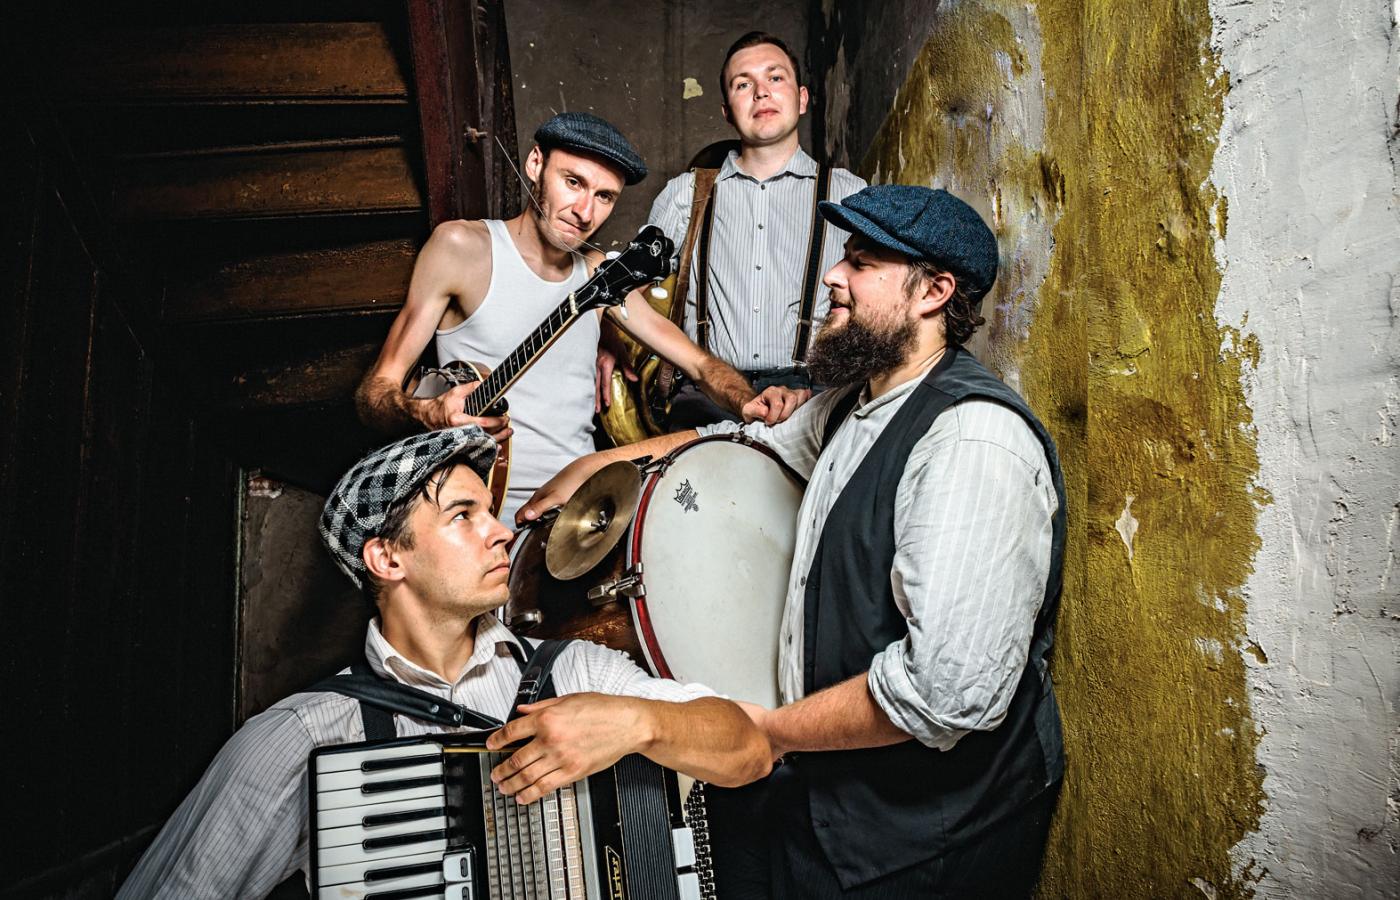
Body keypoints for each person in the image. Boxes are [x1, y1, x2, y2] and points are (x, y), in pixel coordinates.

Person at [523, 184, 1067, 897]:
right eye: (843, 256)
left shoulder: (972, 442)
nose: (833, 277)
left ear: (934, 293)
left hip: (929, 836)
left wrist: (772, 732)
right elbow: (747, 442)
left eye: (862, 263)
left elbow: (943, 693)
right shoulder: (855, 401)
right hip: (827, 789)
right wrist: (601, 467)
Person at [118, 426, 772, 898]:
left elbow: (750, 751)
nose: (502, 532)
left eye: (491, 512)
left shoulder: (575, 672)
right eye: (464, 515)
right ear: (387, 558)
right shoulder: (304, 736)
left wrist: (641, 724)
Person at [356, 111, 801, 524]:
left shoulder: (598, 275)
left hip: (579, 515)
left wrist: (747, 401)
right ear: (535, 164)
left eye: (604, 196)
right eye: (573, 182)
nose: (585, 212)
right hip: (477, 516)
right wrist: (429, 411)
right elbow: (374, 394)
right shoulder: (461, 249)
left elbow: (699, 364)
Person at [598, 31, 867, 428]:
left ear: (802, 98)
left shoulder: (850, 194)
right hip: (706, 398)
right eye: (743, 84)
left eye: (775, 77)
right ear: (727, 111)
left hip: (815, 398)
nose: (761, 92)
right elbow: (626, 288)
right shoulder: (685, 193)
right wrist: (608, 337)